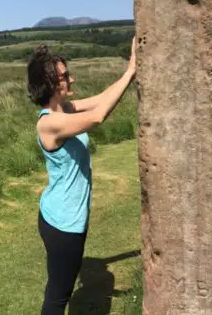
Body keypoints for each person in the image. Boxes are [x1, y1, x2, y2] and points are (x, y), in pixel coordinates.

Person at [26, 38, 137, 315]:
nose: (71, 78)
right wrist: (132, 71)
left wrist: (129, 71)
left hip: (64, 216)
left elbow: (100, 99)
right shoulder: (49, 123)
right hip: (63, 223)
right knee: (58, 297)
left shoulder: (65, 110)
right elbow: (99, 116)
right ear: (50, 83)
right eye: (65, 76)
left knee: (58, 283)